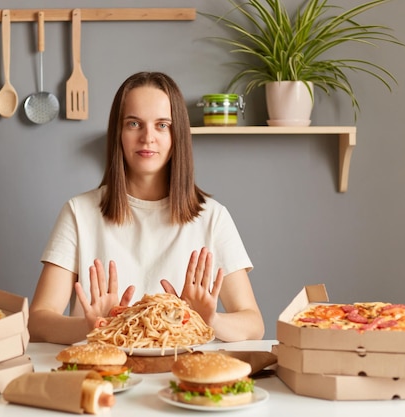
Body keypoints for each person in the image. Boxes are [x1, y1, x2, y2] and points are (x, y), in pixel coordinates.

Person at [28, 71, 264, 345]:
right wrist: (90, 326)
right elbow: (38, 321)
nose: (147, 137)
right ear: (118, 132)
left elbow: (253, 324)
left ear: (178, 135)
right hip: (103, 375)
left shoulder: (213, 217)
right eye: (133, 124)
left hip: (181, 376)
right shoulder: (78, 213)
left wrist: (209, 319)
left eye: (162, 125)